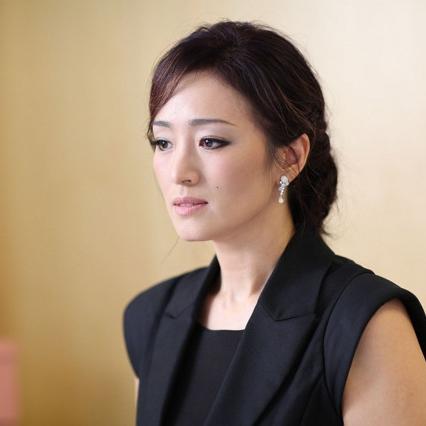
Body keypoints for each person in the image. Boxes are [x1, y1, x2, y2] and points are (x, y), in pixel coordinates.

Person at [123, 20, 426, 425]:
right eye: (163, 142)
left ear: (291, 156)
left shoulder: (364, 324)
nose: (179, 172)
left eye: (211, 141)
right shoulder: (150, 317)